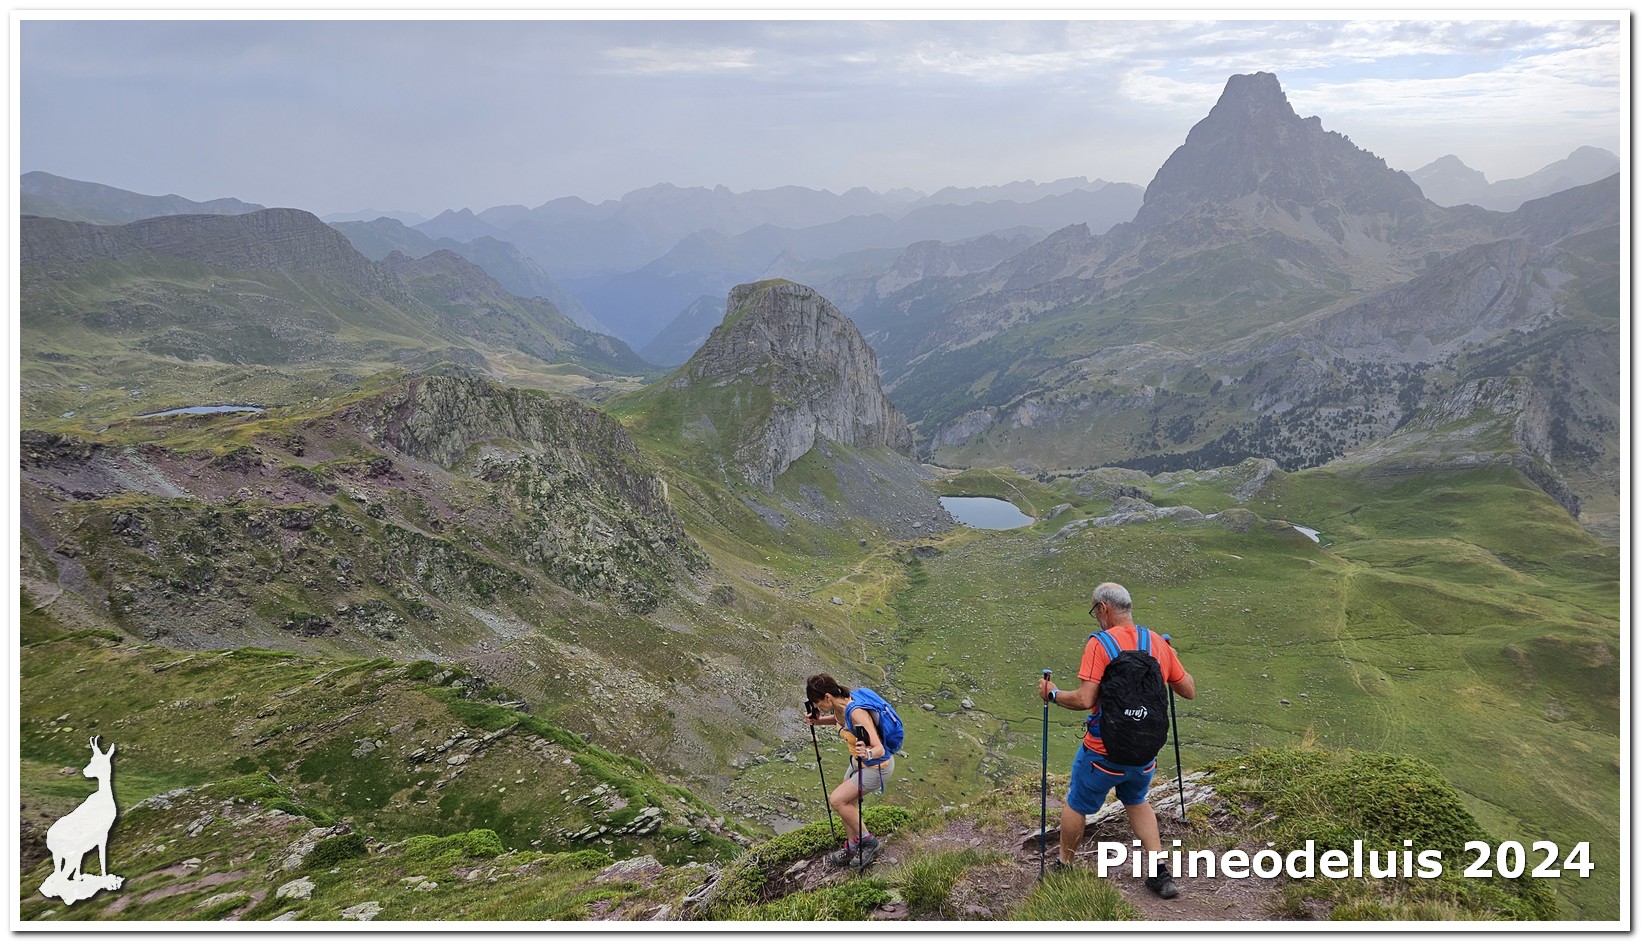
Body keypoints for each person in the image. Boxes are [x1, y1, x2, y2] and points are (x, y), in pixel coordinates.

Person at [1038, 581, 1196, 897]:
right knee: (1136, 800)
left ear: (1104, 608)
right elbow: (1188, 690)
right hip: (1144, 753)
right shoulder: (1156, 643)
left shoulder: (1100, 644)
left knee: (1076, 803)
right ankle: (1160, 873)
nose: (1096, 617)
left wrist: (1052, 694)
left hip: (1102, 753)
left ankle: (1064, 865)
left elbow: (1084, 699)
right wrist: (1172, 658)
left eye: (1094, 611)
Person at [804, 673, 896, 868]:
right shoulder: (840, 708)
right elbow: (839, 720)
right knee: (847, 804)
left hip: (877, 766)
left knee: (837, 800)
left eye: (817, 702)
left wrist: (867, 753)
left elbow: (879, 748)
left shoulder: (856, 713)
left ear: (827, 697)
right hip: (857, 763)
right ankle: (854, 846)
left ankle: (869, 842)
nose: (816, 707)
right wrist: (817, 721)